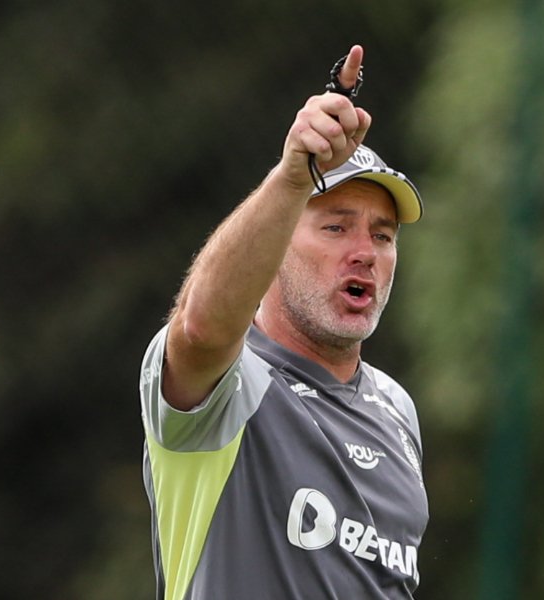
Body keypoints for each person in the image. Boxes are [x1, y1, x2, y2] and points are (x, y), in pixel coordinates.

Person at [138, 44, 428, 599]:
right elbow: (198, 330)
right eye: (336, 228)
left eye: (383, 234)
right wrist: (294, 179)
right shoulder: (229, 386)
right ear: (275, 247)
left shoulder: (396, 410)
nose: (366, 251)